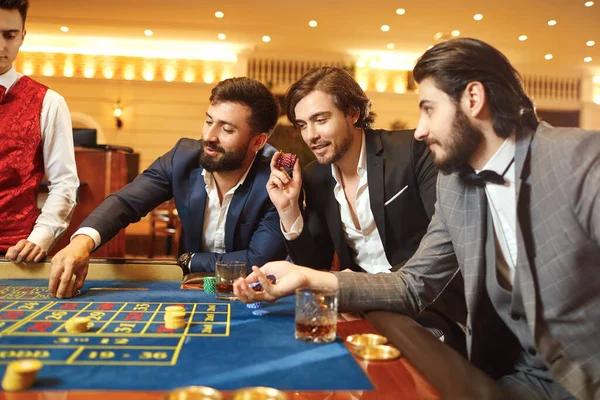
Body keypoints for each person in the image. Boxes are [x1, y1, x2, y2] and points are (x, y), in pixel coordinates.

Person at [235, 38, 600, 400]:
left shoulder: (583, 160)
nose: (421, 130)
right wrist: (307, 276)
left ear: (473, 99)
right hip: (509, 374)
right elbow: (412, 285)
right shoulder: (459, 184)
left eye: (429, 109)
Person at [267, 66, 465, 347]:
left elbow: (448, 247)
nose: (310, 135)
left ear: (353, 113)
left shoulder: (412, 150)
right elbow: (316, 267)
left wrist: (362, 289)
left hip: (429, 308)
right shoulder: (316, 175)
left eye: (320, 120)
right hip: (358, 312)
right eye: (302, 125)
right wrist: (288, 209)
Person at [50, 77, 287, 299]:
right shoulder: (182, 157)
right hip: (196, 286)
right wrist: (81, 242)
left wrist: (189, 260)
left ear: (258, 141)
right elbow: (126, 202)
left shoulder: (274, 180)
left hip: (255, 292)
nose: (209, 136)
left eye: (226, 130)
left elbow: (258, 261)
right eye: (208, 121)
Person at [0, 0, 79, 263]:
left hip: (15, 253)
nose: (1, 46)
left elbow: (64, 184)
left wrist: (41, 237)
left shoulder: (49, 102)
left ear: (22, 35)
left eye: (9, 35)